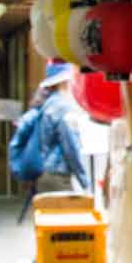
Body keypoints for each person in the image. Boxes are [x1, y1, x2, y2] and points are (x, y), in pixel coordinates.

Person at [36, 61, 90, 193]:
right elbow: (70, 145)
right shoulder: (62, 107)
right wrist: (84, 180)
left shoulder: (48, 104)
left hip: (45, 172)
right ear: (63, 82)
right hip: (58, 176)